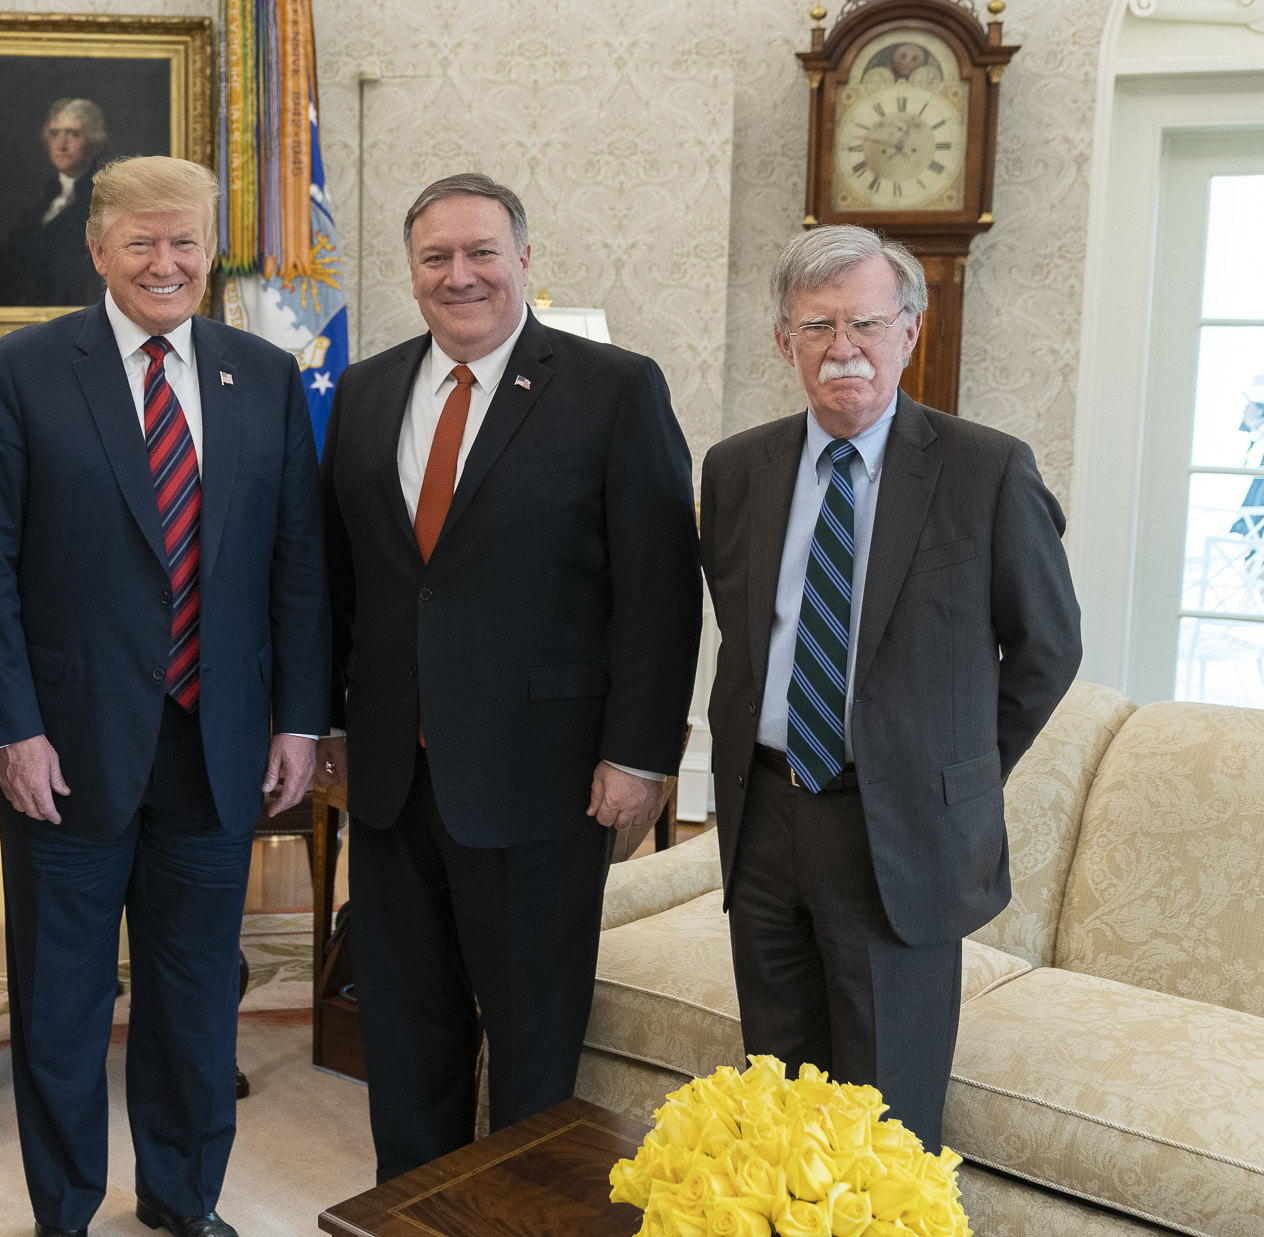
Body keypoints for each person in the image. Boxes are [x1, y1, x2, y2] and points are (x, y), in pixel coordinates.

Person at [0, 154, 329, 1237]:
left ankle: (180, 1196)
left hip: (216, 747)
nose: (165, 262)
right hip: (63, 752)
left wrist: (298, 718)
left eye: (185, 242)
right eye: (142, 242)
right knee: (61, 1008)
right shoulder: (24, 371)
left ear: (210, 252)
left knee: (196, 1000)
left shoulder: (259, 375)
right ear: (97, 249)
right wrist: (11, 730)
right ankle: (63, 1210)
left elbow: (296, 564)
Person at [316, 172, 702, 1182]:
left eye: (480, 252)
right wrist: (325, 724)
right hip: (395, 778)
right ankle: (415, 1209)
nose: (459, 276)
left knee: (531, 1039)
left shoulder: (614, 388)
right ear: (409, 274)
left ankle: (520, 1214)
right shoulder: (363, 392)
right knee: (403, 1031)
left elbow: (657, 591)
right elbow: (339, 579)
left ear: (524, 261)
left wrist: (638, 753)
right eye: (435, 258)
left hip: (543, 778)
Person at [700, 224, 1080, 1152]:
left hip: (898, 831)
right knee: (778, 1104)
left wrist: (950, 769)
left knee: (885, 1119)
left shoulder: (985, 469)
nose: (844, 349)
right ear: (783, 341)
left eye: (866, 322)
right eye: (817, 326)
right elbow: (744, 638)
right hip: (767, 822)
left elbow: (1047, 649)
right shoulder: (736, 469)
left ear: (910, 329)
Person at [0, 97, 110, 308]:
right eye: (55, 133)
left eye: (73, 134)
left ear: (94, 143)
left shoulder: (105, 199)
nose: (62, 144)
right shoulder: (40, 203)